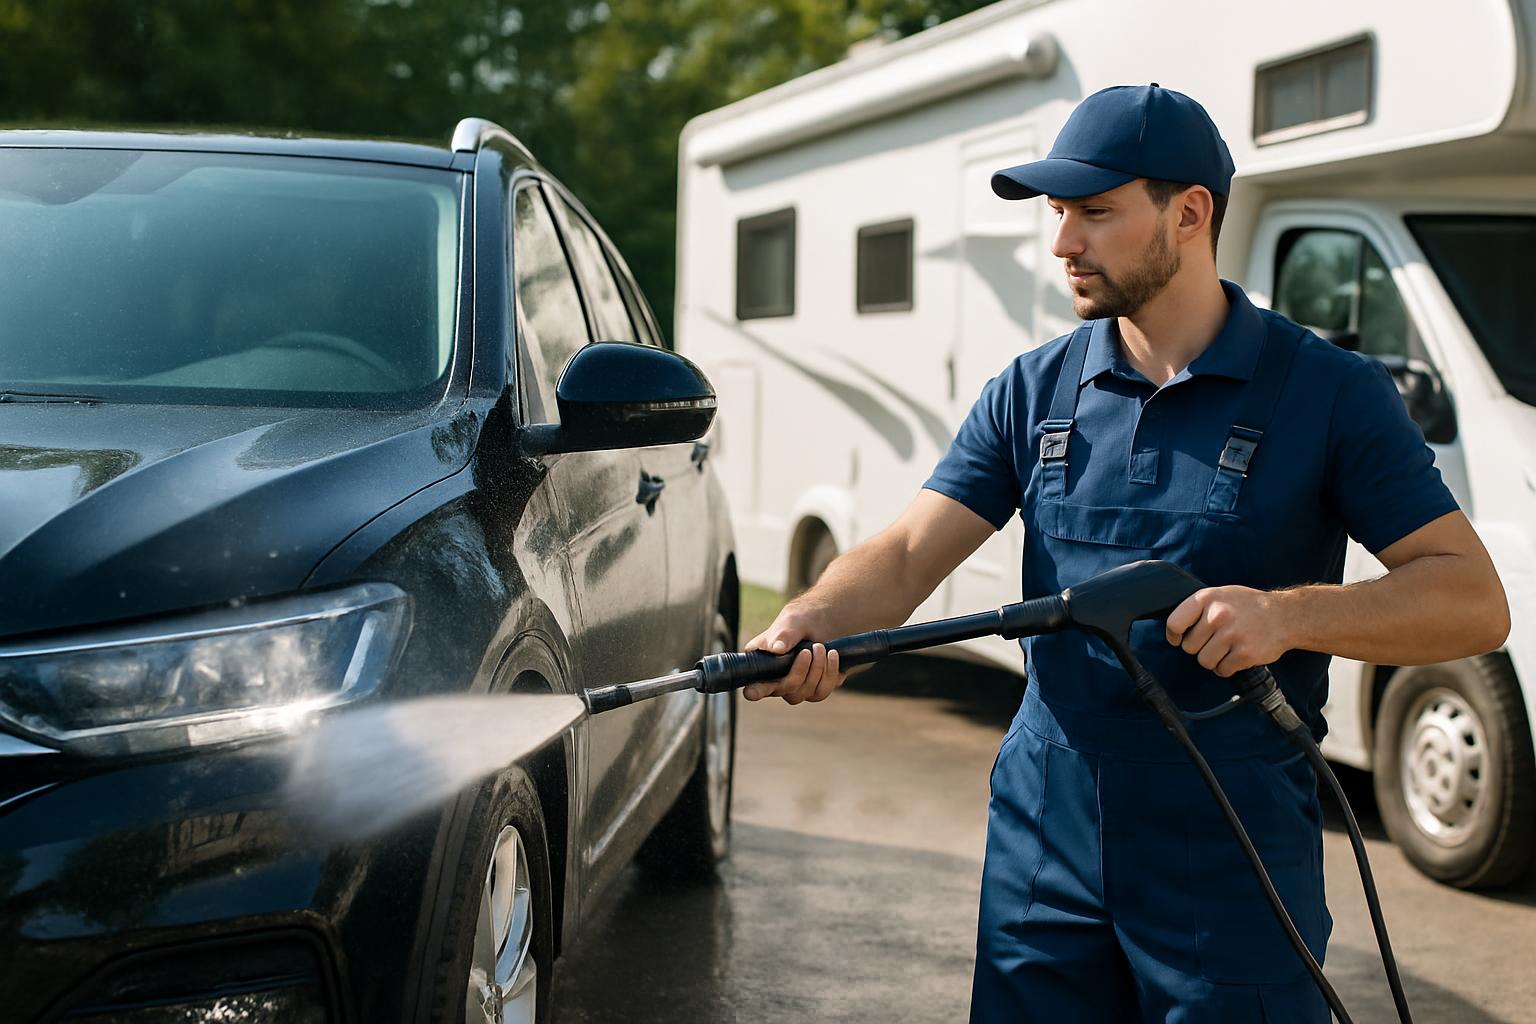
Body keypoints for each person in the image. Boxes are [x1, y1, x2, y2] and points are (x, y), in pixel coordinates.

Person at [741, 84, 1510, 1022]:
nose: (1064, 242)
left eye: (1096, 213)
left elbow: (1472, 599)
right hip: (1044, 833)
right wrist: (814, 619)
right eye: (1059, 213)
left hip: (1229, 842)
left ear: (1190, 214)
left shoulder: (1330, 395)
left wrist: (1285, 616)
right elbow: (907, 552)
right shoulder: (1034, 391)